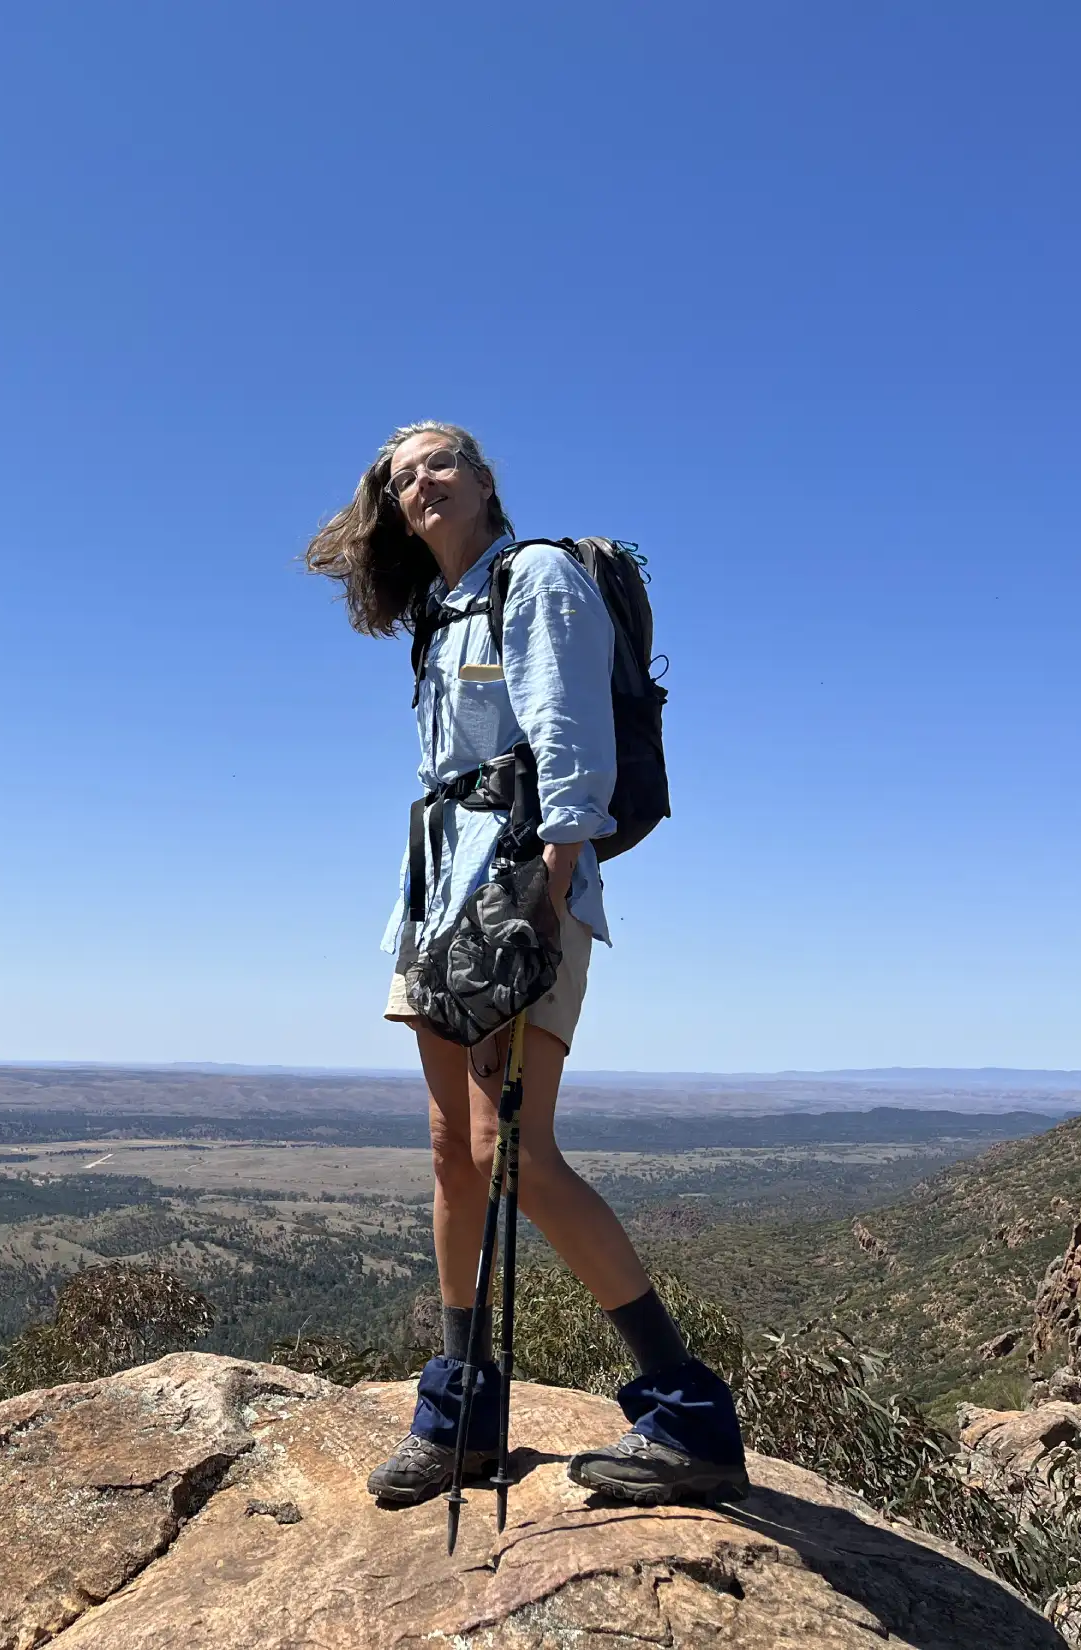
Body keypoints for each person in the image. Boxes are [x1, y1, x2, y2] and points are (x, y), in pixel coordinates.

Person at [305, 421, 747, 1508]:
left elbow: (568, 739)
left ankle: (686, 1410)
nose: (421, 485)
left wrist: (547, 897)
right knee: (453, 1150)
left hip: (514, 895)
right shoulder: (437, 618)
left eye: (439, 463)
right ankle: (457, 1416)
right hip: (432, 902)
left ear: (486, 480)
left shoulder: (536, 577)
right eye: (403, 477)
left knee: (514, 1150)